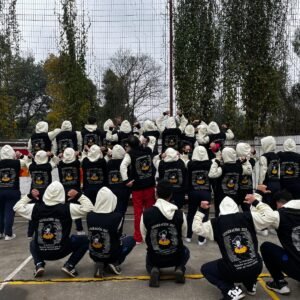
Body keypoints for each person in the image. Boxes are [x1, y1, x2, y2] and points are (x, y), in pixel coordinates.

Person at [192, 190, 274, 300]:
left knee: (206, 269)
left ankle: (230, 289)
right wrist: (256, 202)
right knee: (252, 256)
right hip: (256, 267)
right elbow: (271, 216)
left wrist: (201, 210)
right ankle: (251, 285)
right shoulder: (248, 217)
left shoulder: (216, 223)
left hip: (234, 271)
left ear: (221, 211)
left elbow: (196, 228)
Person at [13, 181, 93, 277]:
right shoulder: (68, 208)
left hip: (41, 251)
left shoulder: (35, 208)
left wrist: (29, 196)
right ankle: (70, 265)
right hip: (62, 250)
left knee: (32, 241)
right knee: (84, 240)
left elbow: (16, 207)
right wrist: (78, 196)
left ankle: (39, 264)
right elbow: (89, 208)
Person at [247, 189, 300, 295]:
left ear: (277, 203)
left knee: (267, 248)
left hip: (297, 269)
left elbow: (255, 219)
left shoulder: (279, 215)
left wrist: (256, 197)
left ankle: (279, 283)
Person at [140, 180, 190, 287]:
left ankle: (154, 269)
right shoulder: (180, 214)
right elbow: (184, 234)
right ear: (171, 195)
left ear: (156, 194)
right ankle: (179, 268)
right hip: (175, 256)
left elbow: (144, 237)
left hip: (155, 257)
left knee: (149, 256)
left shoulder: (146, 214)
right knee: (186, 251)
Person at [87, 187, 135, 277]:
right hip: (111, 254)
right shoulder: (117, 217)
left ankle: (100, 263)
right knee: (131, 240)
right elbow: (118, 235)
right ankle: (114, 263)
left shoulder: (90, 215)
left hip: (94, 254)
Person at [120, 135, 156, 244]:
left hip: (137, 188)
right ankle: (151, 235)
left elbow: (122, 167)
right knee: (150, 212)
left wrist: (126, 181)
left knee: (138, 213)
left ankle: (138, 237)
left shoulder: (129, 154)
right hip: (150, 185)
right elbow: (153, 139)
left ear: (129, 145)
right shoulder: (148, 149)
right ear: (139, 142)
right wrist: (145, 139)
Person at [186, 146, 220, 245]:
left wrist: (187, 192)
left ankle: (189, 236)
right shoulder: (210, 164)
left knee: (191, 214)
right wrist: (214, 190)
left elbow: (188, 179)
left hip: (193, 192)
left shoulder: (190, 164)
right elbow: (213, 178)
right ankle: (201, 238)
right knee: (204, 215)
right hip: (206, 192)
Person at [26, 150, 59, 238]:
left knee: (32, 213)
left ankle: (30, 233)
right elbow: (56, 161)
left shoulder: (32, 166)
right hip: (46, 194)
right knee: (47, 213)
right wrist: (52, 155)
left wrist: (30, 157)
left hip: (33, 193)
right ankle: (43, 231)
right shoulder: (48, 166)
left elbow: (27, 162)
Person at [211, 147, 252, 217]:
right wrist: (246, 161)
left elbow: (212, 174)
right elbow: (249, 171)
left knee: (221, 215)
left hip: (222, 196)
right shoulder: (239, 167)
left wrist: (216, 162)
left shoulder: (222, 167)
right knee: (234, 215)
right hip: (235, 195)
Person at [0, 145, 26, 240]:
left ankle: (0, 233)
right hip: (13, 190)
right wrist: (20, 156)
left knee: (1, 212)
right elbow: (29, 162)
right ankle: (8, 234)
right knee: (9, 212)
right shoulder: (17, 162)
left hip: (0, 190)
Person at [57, 148, 83, 234]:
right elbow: (82, 157)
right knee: (77, 210)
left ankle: (65, 230)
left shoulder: (60, 164)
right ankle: (79, 229)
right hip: (75, 189)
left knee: (66, 211)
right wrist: (77, 155)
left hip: (64, 190)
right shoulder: (76, 163)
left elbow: (56, 160)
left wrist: (59, 156)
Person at [106, 145, 130, 224]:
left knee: (111, 212)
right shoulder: (125, 163)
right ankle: (120, 232)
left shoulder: (108, 163)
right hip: (123, 191)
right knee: (121, 212)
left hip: (111, 191)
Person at [258, 136, 280, 209]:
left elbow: (262, 172)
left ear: (266, 145)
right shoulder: (276, 156)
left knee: (267, 205)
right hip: (277, 183)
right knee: (275, 204)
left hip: (267, 184)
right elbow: (279, 171)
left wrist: (260, 184)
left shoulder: (264, 157)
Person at [236, 143, 256, 212]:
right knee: (248, 211)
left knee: (235, 210)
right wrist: (253, 153)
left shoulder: (236, 162)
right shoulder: (251, 161)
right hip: (248, 189)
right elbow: (253, 159)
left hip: (238, 190)